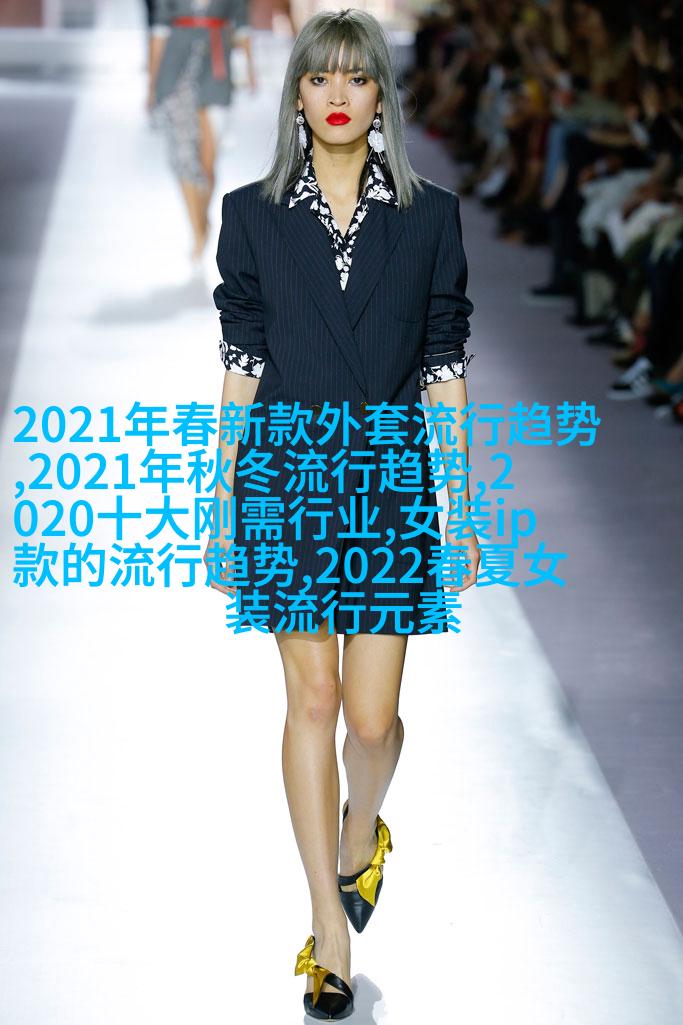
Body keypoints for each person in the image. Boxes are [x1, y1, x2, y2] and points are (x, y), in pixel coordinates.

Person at [204, 8, 478, 1019]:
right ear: (295, 95)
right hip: (283, 476)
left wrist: (459, 503)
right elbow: (242, 360)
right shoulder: (251, 214)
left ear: (379, 96)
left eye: (354, 78)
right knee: (311, 700)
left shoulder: (430, 216)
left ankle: (364, 827)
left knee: (371, 718)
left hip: (389, 482)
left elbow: (443, 361)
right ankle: (327, 925)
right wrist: (219, 496)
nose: (335, 95)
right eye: (317, 78)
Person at [147, 0, 257, 261]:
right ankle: (197, 232)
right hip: (176, 75)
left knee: (207, 164)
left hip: (215, 72)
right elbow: (159, 32)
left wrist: (251, 69)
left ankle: (202, 217)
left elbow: (241, 26)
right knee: (184, 156)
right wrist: (151, 86)